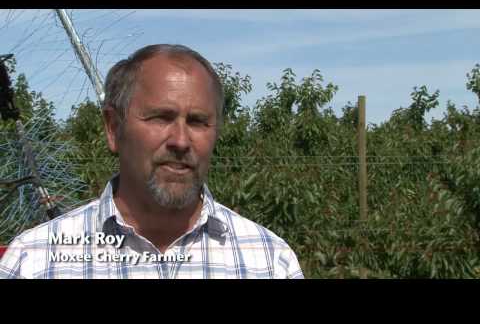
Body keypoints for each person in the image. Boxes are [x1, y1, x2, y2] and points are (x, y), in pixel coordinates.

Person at [0, 44, 304, 279]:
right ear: (113, 128)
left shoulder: (268, 260)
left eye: (198, 121)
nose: (181, 141)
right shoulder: (35, 261)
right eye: (161, 117)